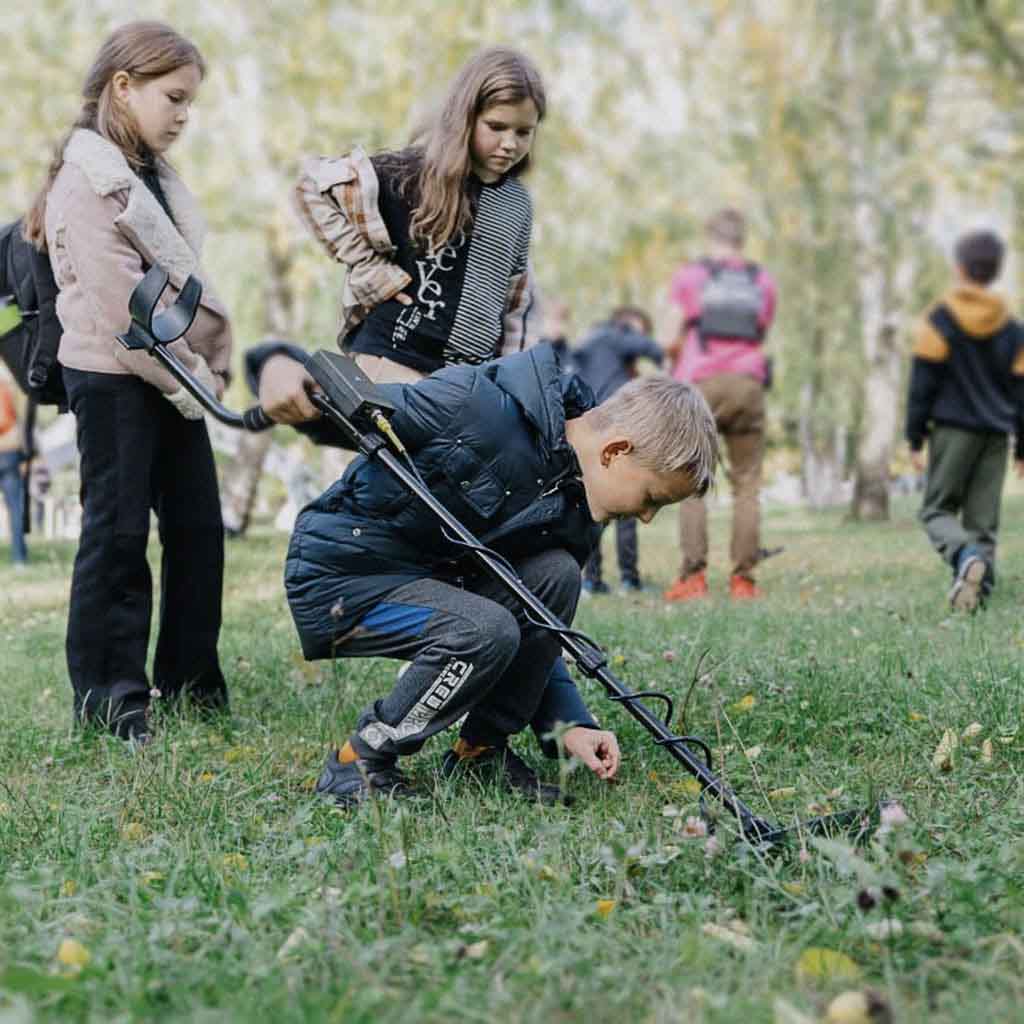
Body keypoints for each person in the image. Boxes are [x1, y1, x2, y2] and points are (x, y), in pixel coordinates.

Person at [249, 343, 717, 807]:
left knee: (557, 574)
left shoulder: (575, 510)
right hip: (344, 578)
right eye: (652, 498)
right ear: (615, 451)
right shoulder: (473, 405)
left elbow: (537, 622)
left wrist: (571, 722)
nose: (648, 517)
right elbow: (344, 409)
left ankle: (479, 754)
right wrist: (280, 368)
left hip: (434, 581)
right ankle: (359, 760)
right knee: (483, 630)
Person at [24, 21, 234, 742]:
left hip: (172, 374)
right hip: (113, 376)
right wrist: (193, 378)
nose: (183, 115)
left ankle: (191, 682)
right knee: (116, 535)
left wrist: (198, 375)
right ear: (123, 87)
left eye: (190, 104)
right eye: (173, 98)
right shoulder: (87, 181)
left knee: (199, 529)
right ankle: (112, 695)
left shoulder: (149, 175)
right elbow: (124, 310)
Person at [662, 207, 777, 602]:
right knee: (747, 485)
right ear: (741, 238)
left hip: (701, 384)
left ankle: (693, 579)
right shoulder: (761, 280)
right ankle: (744, 581)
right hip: (748, 383)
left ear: (710, 236)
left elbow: (670, 335)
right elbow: (761, 330)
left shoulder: (692, 276)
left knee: (694, 482)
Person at [906, 229, 1024, 612]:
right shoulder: (1013, 329)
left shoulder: (939, 319)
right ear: (995, 271)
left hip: (953, 429)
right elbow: (1022, 393)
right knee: (983, 520)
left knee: (936, 510)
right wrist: (1022, 446)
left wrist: (914, 435)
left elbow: (923, 382)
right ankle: (978, 593)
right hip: (995, 433)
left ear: (959, 270)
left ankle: (963, 557)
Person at [573, 306, 664, 594]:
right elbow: (649, 347)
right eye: (638, 329)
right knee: (629, 502)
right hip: (619, 422)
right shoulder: (615, 335)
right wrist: (668, 359)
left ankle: (592, 580)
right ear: (625, 324)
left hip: (592, 426)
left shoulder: (590, 344)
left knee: (595, 506)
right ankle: (629, 579)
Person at [0, 371, 28, 566]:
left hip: (8, 448)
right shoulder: (10, 381)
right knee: (15, 507)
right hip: (9, 449)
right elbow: (20, 420)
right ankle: (19, 558)